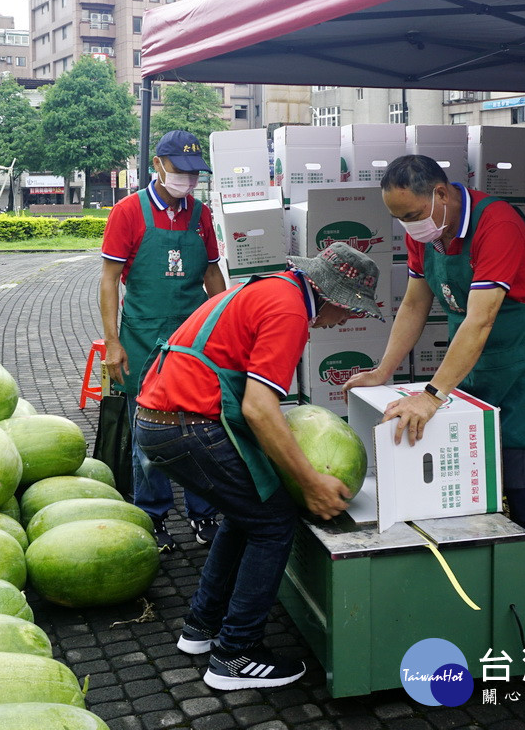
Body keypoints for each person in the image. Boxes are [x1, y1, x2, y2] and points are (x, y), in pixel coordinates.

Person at [344, 154, 525, 662]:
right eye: (400, 219)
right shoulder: (425, 233)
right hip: (467, 374)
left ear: (442, 195)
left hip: (523, 374)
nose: (408, 227)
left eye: (411, 215)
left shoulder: (497, 224)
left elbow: (481, 318)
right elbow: (414, 302)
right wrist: (385, 370)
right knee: (472, 490)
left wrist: (430, 395)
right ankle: (485, 596)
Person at [134, 242, 380, 691]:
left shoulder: (270, 289)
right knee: (272, 524)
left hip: (162, 421)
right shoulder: (289, 311)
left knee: (248, 516)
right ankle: (235, 655)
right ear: (335, 298)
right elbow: (259, 408)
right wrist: (310, 484)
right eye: (352, 311)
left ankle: (202, 627)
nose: (348, 321)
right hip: (188, 426)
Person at [100, 130, 226, 551]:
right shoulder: (128, 212)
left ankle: (203, 512)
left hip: (193, 341)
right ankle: (152, 514)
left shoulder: (201, 215)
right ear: (158, 165)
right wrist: (112, 342)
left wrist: (225, 325)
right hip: (141, 339)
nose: (188, 181)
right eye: (181, 171)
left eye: (195, 174)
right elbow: (109, 279)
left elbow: (211, 276)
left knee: (199, 427)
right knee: (147, 433)